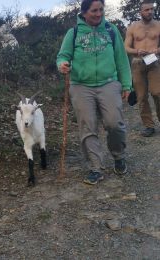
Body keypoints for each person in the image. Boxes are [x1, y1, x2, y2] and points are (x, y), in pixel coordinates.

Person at [56, 0, 132, 185]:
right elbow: (63, 56)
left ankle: (118, 156)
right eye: (94, 11)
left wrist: (126, 84)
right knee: (87, 127)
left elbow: (121, 59)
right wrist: (62, 65)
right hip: (81, 85)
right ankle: (95, 168)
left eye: (101, 10)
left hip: (109, 83)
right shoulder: (73, 33)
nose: (98, 14)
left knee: (115, 123)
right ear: (83, 12)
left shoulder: (111, 30)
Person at [124, 0, 160, 137]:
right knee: (141, 96)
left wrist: (157, 50)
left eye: (152, 9)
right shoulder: (133, 27)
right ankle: (149, 125)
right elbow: (125, 47)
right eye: (147, 10)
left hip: (154, 62)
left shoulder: (158, 25)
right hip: (138, 63)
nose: (150, 11)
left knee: (157, 93)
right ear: (140, 12)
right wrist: (136, 51)